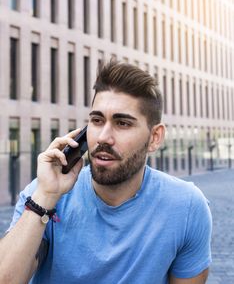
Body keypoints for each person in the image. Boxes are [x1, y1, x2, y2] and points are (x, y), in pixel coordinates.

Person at [0, 60, 212, 284]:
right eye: (97, 120)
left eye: (122, 123)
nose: (103, 137)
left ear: (154, 137)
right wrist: (46, 196)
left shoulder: (186, 207)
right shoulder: (42, 196)